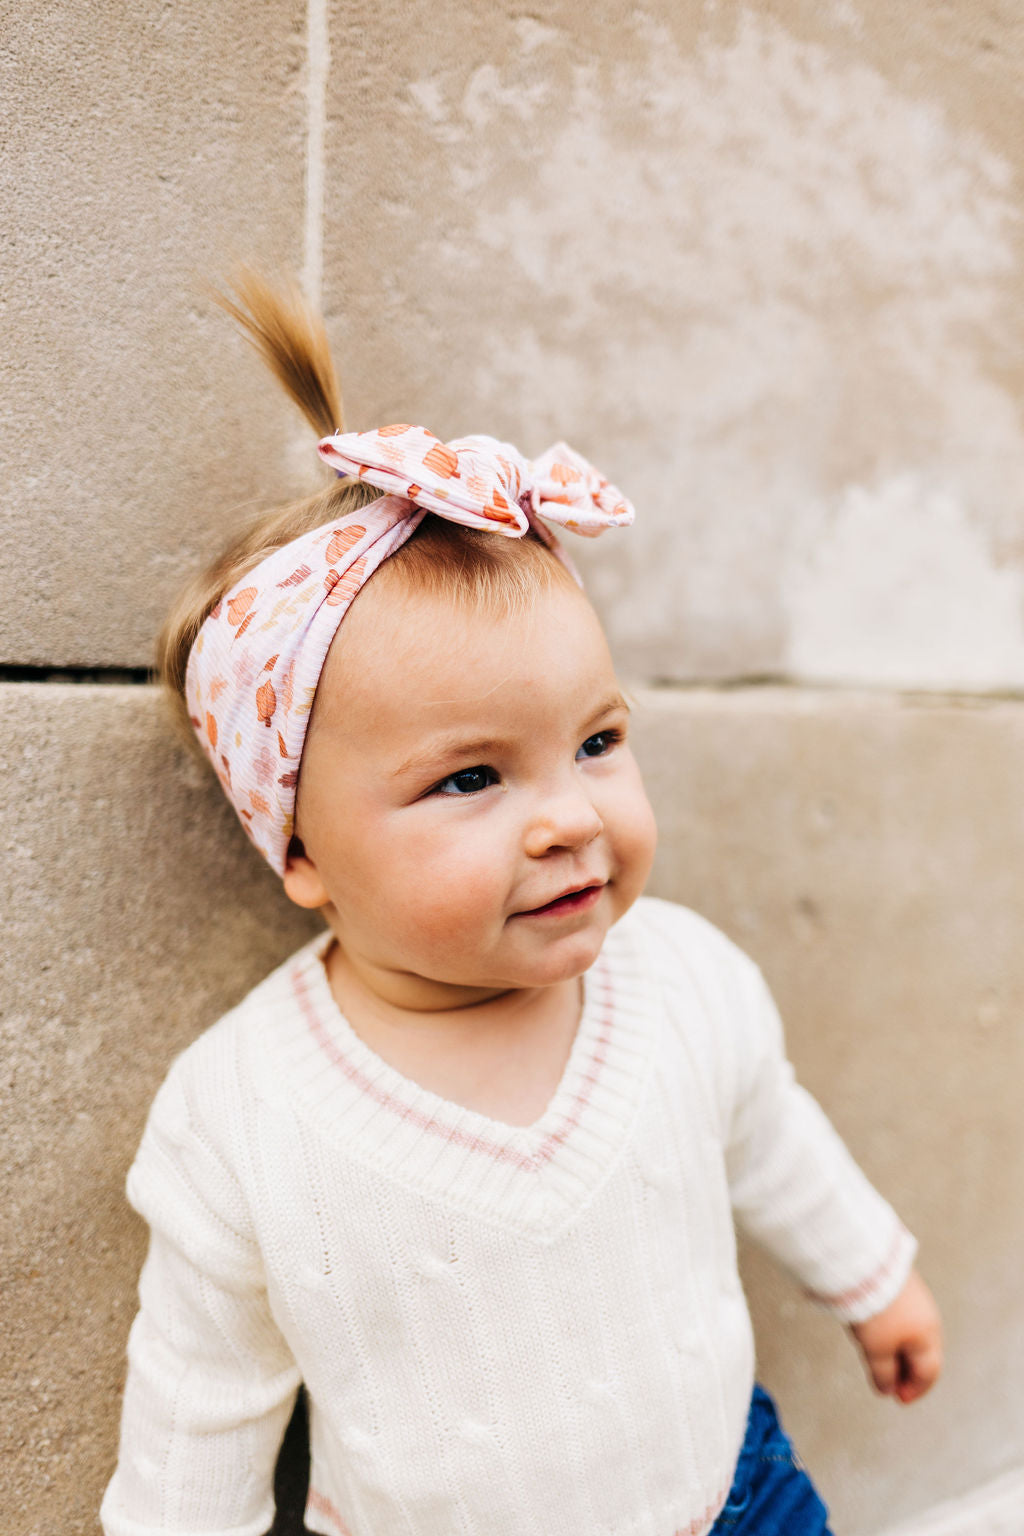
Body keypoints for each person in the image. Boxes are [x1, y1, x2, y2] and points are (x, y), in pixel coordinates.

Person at [102, 273, 942, 1536]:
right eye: (472, 777)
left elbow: (769, 1135)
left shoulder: (680, 978)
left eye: (596, 744)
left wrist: (875, 1281)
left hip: (732, 1495)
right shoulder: (243, 1119)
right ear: (301, 850)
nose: (569, 818)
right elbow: (197, 1406)